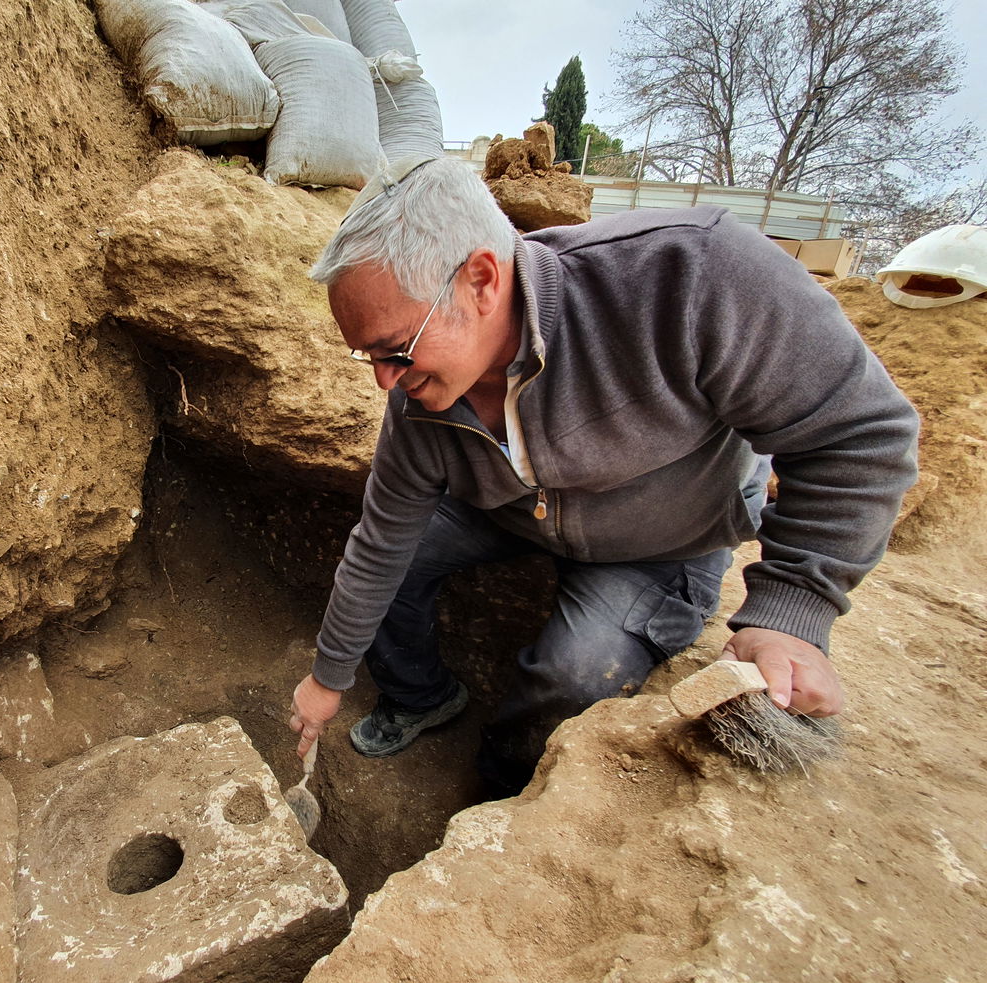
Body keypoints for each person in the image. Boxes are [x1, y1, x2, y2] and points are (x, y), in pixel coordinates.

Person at [286, 156, 919, 798]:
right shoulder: (419, 395)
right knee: (399, 566)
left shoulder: (693, 277)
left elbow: (859, 434)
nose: (384, 381)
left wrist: (792, 612)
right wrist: (328, 678)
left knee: (575, 675)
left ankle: (503, 794)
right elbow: (382, 542)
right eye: (367, 355)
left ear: (481, 280)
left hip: (662, 541)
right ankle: (422, 696)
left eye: (395, 349)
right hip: (508, 511)